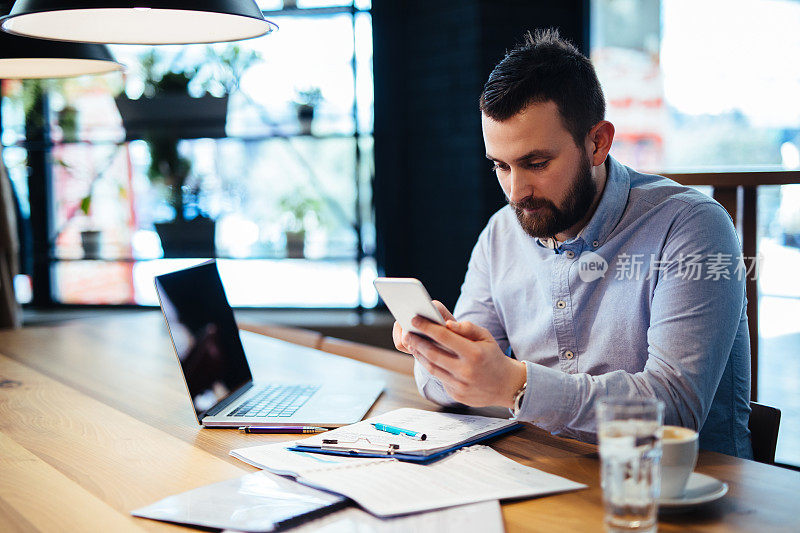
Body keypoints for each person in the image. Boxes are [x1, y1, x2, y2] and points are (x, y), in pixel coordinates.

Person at [392, 29, 752, 458]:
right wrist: (437, 351)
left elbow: (672, 409)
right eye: (501, 166)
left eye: (536, 163)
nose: (516, 191)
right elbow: (449, 392)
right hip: (551, 478)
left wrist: (513, 383)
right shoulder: (501, 234)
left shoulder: (692, 226)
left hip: (686, 497)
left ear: (598, 142)